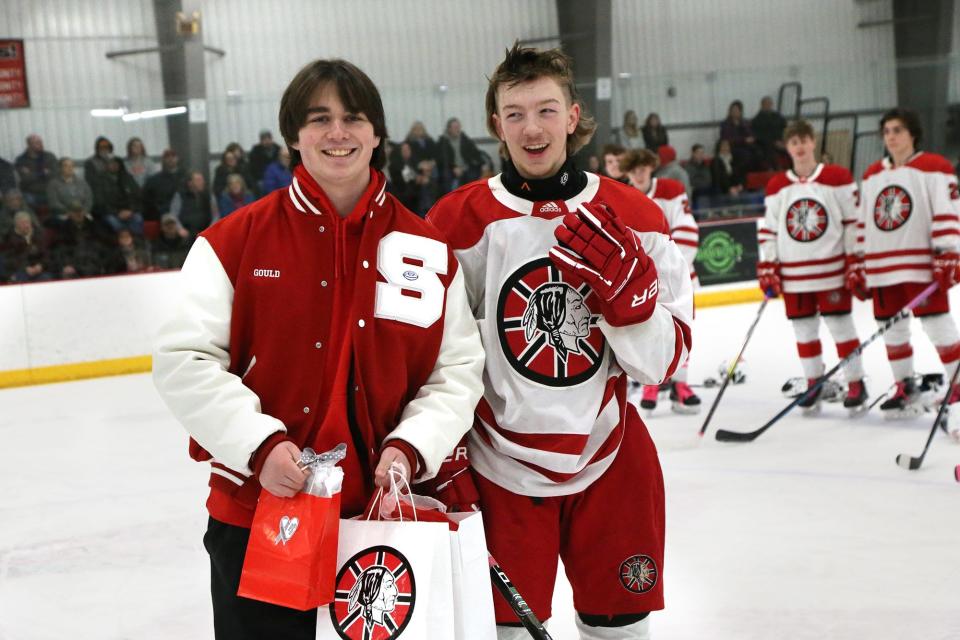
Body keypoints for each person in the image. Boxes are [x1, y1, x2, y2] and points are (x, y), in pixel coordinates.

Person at [152, 57, 484, 640]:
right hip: (259, 515)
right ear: (293, 136)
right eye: (319, 119)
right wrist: (259, 447)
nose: (338, 134)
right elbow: (183, 360)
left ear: (377, 134)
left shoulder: (427, 250)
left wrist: (411, 447)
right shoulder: (232, 241)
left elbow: (456, 370)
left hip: (380, 524)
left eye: (353, 118)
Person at [428, 43, 693, 640]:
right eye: (515, 113)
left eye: (546, 110)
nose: (532, 127)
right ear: (496, 125)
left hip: (611, 458)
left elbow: (664, 363)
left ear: (572, 117)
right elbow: (431, 359)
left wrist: (631, 311)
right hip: (498, 468)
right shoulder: (454, 223)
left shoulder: (635, 215)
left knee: (619, 627)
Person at [756, 119, 867, 412]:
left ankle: (856, 381)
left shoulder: (837, 177)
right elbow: (769, 229)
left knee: (841, 328)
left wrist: (854, 258)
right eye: (794, 142)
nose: (800, 146)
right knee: (804, 332)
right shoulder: (778, 185)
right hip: (794, 276)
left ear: (813, 142)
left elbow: (852, 222)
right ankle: (813, 381)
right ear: (787, 147)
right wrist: (769, 265)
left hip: (831, 273)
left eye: (804, 140)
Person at [856, 108, 960, 415]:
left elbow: (948, 211)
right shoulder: (873, 174)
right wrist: (860, 263)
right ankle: (905, 386)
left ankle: (958, 384)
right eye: (887, 131)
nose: (891, 136)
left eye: (897, 130)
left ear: (912, 133)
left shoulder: (934, 167)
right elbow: (864, 222)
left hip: (920, 266)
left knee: (938, 327)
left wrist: (948, 253)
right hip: (881, 268)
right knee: (892, 331)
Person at [621, 148, 701, 414]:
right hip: (640, 283)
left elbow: (687, 229)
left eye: (642, 168)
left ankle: (680, 385)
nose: (639, 174)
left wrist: (672, 271)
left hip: (677, 279)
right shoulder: (621, 197)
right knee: (646, 331)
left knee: (681, 329)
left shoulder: (671, 190)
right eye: (633, 171)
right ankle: (650, 383)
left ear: (651, 167)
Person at [436, 117, 484, 194]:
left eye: (458, 127)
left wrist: (483, 164)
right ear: (449, 129)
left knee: (473, 176)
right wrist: (453, 167)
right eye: (455, 127)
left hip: (465, 166)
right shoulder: (443, 141)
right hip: (450, 168)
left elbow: (476, 153)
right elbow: (441, 159)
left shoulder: (465, 139)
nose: (457, 129)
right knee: (446, 178)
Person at [3, 210, 53, 283]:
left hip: (39, 269)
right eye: (22, 223)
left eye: (27, 222)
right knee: (19, 279)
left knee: (46, 278)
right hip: (20, 270)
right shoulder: (9, 238)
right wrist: (25, 268)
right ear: (16, 225)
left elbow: (46, 254)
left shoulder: (39, 235)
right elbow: (9, 259)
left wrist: (41, 265)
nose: (26, 225)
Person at [14, 134, 57, 209]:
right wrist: (42, 173)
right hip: (31, 192)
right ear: (29, 145)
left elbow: (56, 174)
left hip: (49, 190)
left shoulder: (49, 156)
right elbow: (24, 179)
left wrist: (32, 173)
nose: (41, 145)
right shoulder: (21, 160)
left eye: (41, 142)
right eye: (37, 143)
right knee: (28, 201)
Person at [142, 149, 186, 220]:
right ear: (163, 160)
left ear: (178, 158)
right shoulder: (153, 180)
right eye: (167, 157)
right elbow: (147, 200)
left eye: (173, 156)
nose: (170, 159)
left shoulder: (186, 177)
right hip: (162, 214)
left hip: (183, 213)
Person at [169, 170, 217, 235]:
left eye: (202, 180)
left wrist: (211, 229)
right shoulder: (180, 195)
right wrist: (180, 228)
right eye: (198, 180)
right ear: (190, 183)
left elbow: (216, 215)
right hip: (186, 233)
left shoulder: (209, 196)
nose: (202, 182)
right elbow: (173, 214)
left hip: (206, 232)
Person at [719, 100, 758, 171]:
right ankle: (737, 173)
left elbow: (751, 134)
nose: (735, 112)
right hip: (732, 147)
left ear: (740, 111)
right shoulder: (725, 124)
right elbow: (726, 139)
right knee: (745, 155)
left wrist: (751, 138)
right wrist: (744, 140)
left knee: (758, 153)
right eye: (733, 110)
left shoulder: (745, 122)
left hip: (746, 145)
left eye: (737, 110)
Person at [752, 96, 788, 169]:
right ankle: (774, 169)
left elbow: (786, 128)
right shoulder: (757, 120)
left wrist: (784, 141)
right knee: (769, 149)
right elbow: (759, 135)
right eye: (766, 104)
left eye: (770, 104)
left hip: (780, 141)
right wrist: (775, 142)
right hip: (766, 144)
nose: (768, 106)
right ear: (762, 105)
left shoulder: (778, 116)